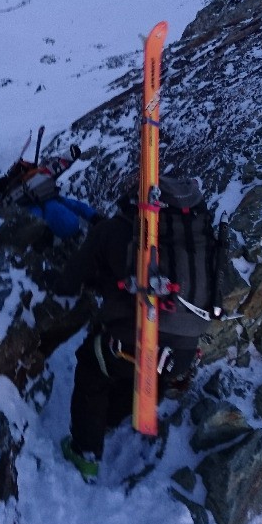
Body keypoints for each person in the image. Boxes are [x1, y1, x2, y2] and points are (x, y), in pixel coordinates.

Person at [58, 179, 215, 481]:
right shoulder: (192, 239)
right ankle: (112, 420)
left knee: (93, 366)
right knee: (143, 372)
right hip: (182, 352)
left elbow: (70, 280)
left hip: (132, 343)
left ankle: (85, 454)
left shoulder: (112, 229)